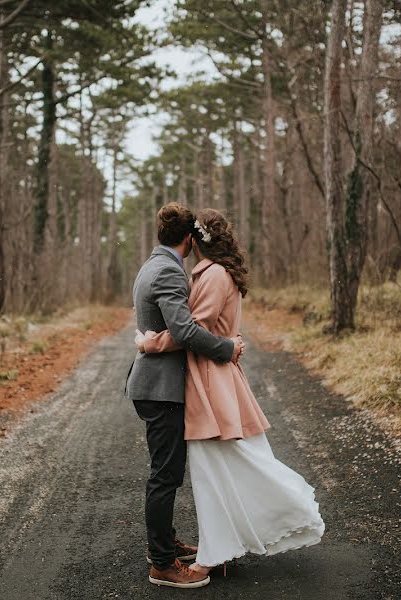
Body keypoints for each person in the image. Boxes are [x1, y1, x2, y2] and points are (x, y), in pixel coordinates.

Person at [135, 208, 324, 575]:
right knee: (211, 468)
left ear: (196, 240)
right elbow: (196, 329)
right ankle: (218, 548)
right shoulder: (206, 273)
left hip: (209, 381)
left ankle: (218, 550)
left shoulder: (211, 275)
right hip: (203, 380)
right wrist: (228, 344)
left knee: (216, 468)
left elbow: (192, 331)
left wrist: (149, 343)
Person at [125, 203, 245, 589]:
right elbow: (187, 331)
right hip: (161, 389)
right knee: (165, 476)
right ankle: (161, 561)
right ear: (190, 239)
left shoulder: (153, 265)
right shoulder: (169, 273)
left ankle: (165, 542)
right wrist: (228, 348)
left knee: (167, 472)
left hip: (156, 386)